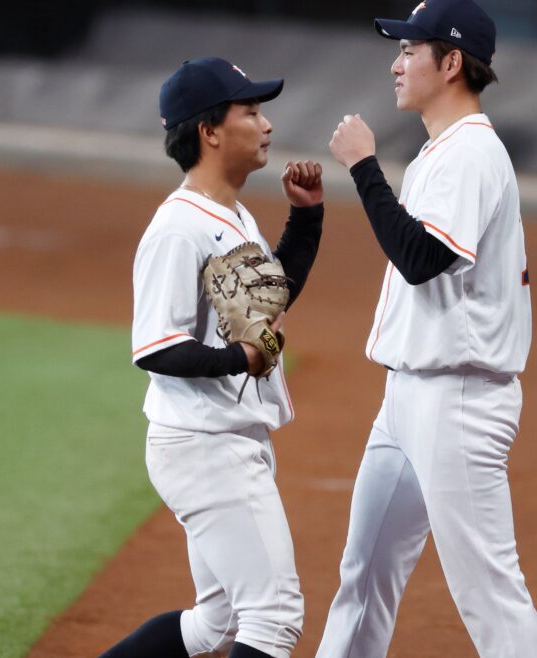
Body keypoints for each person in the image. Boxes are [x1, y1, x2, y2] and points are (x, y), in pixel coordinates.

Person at [317, 1, 537, 656]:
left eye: (408, 51)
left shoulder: (470, 154)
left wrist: (364, 167)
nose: (396, 64)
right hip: (407, 401)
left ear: (450, 64)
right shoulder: (442, 151)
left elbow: (422, 258)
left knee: (490, 595)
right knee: (364, 576)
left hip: (460, 402)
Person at [100, 56, 324, 658]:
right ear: (209, 131)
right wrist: (238, 360)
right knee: (273, 619)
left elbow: (265, 306)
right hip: (204, 445)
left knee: (217, 626)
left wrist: (305, 220)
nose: (266, 123)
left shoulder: (229, 213)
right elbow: (156, 346)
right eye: (250, 111)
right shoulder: (178, 229)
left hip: (226, 437)